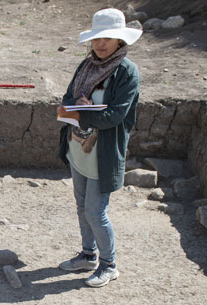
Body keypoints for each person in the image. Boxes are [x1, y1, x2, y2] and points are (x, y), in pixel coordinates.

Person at [56, 8, 141, 287]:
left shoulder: (127, 72)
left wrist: (81, 114)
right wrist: (76, 101)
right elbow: (70, 95)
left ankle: (109, 264)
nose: (101, 44)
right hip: (79, 148)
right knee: (82, 208)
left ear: (120, 41)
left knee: (95, 212)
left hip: (102, 155)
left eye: (108, 38)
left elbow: (116, 115)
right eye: (97, 39)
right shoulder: (86, 66)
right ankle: (88, 255)